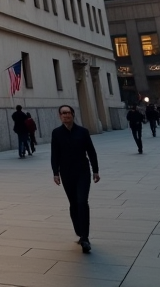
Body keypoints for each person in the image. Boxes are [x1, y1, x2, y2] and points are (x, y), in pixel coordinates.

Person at [51, 104, 99, 253]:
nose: (66, 115)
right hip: (67, 173)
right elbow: (55, 154)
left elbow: (91, 151)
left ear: (73, 114)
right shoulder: (57, 133)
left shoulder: (83, 132)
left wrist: (95, 170)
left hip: (82, 172)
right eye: (63, 113)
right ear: (60, 116)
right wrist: (55, 172)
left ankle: (85, 237)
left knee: (82, 201)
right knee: (73, 203)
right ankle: (79, 230)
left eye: (68, 113)